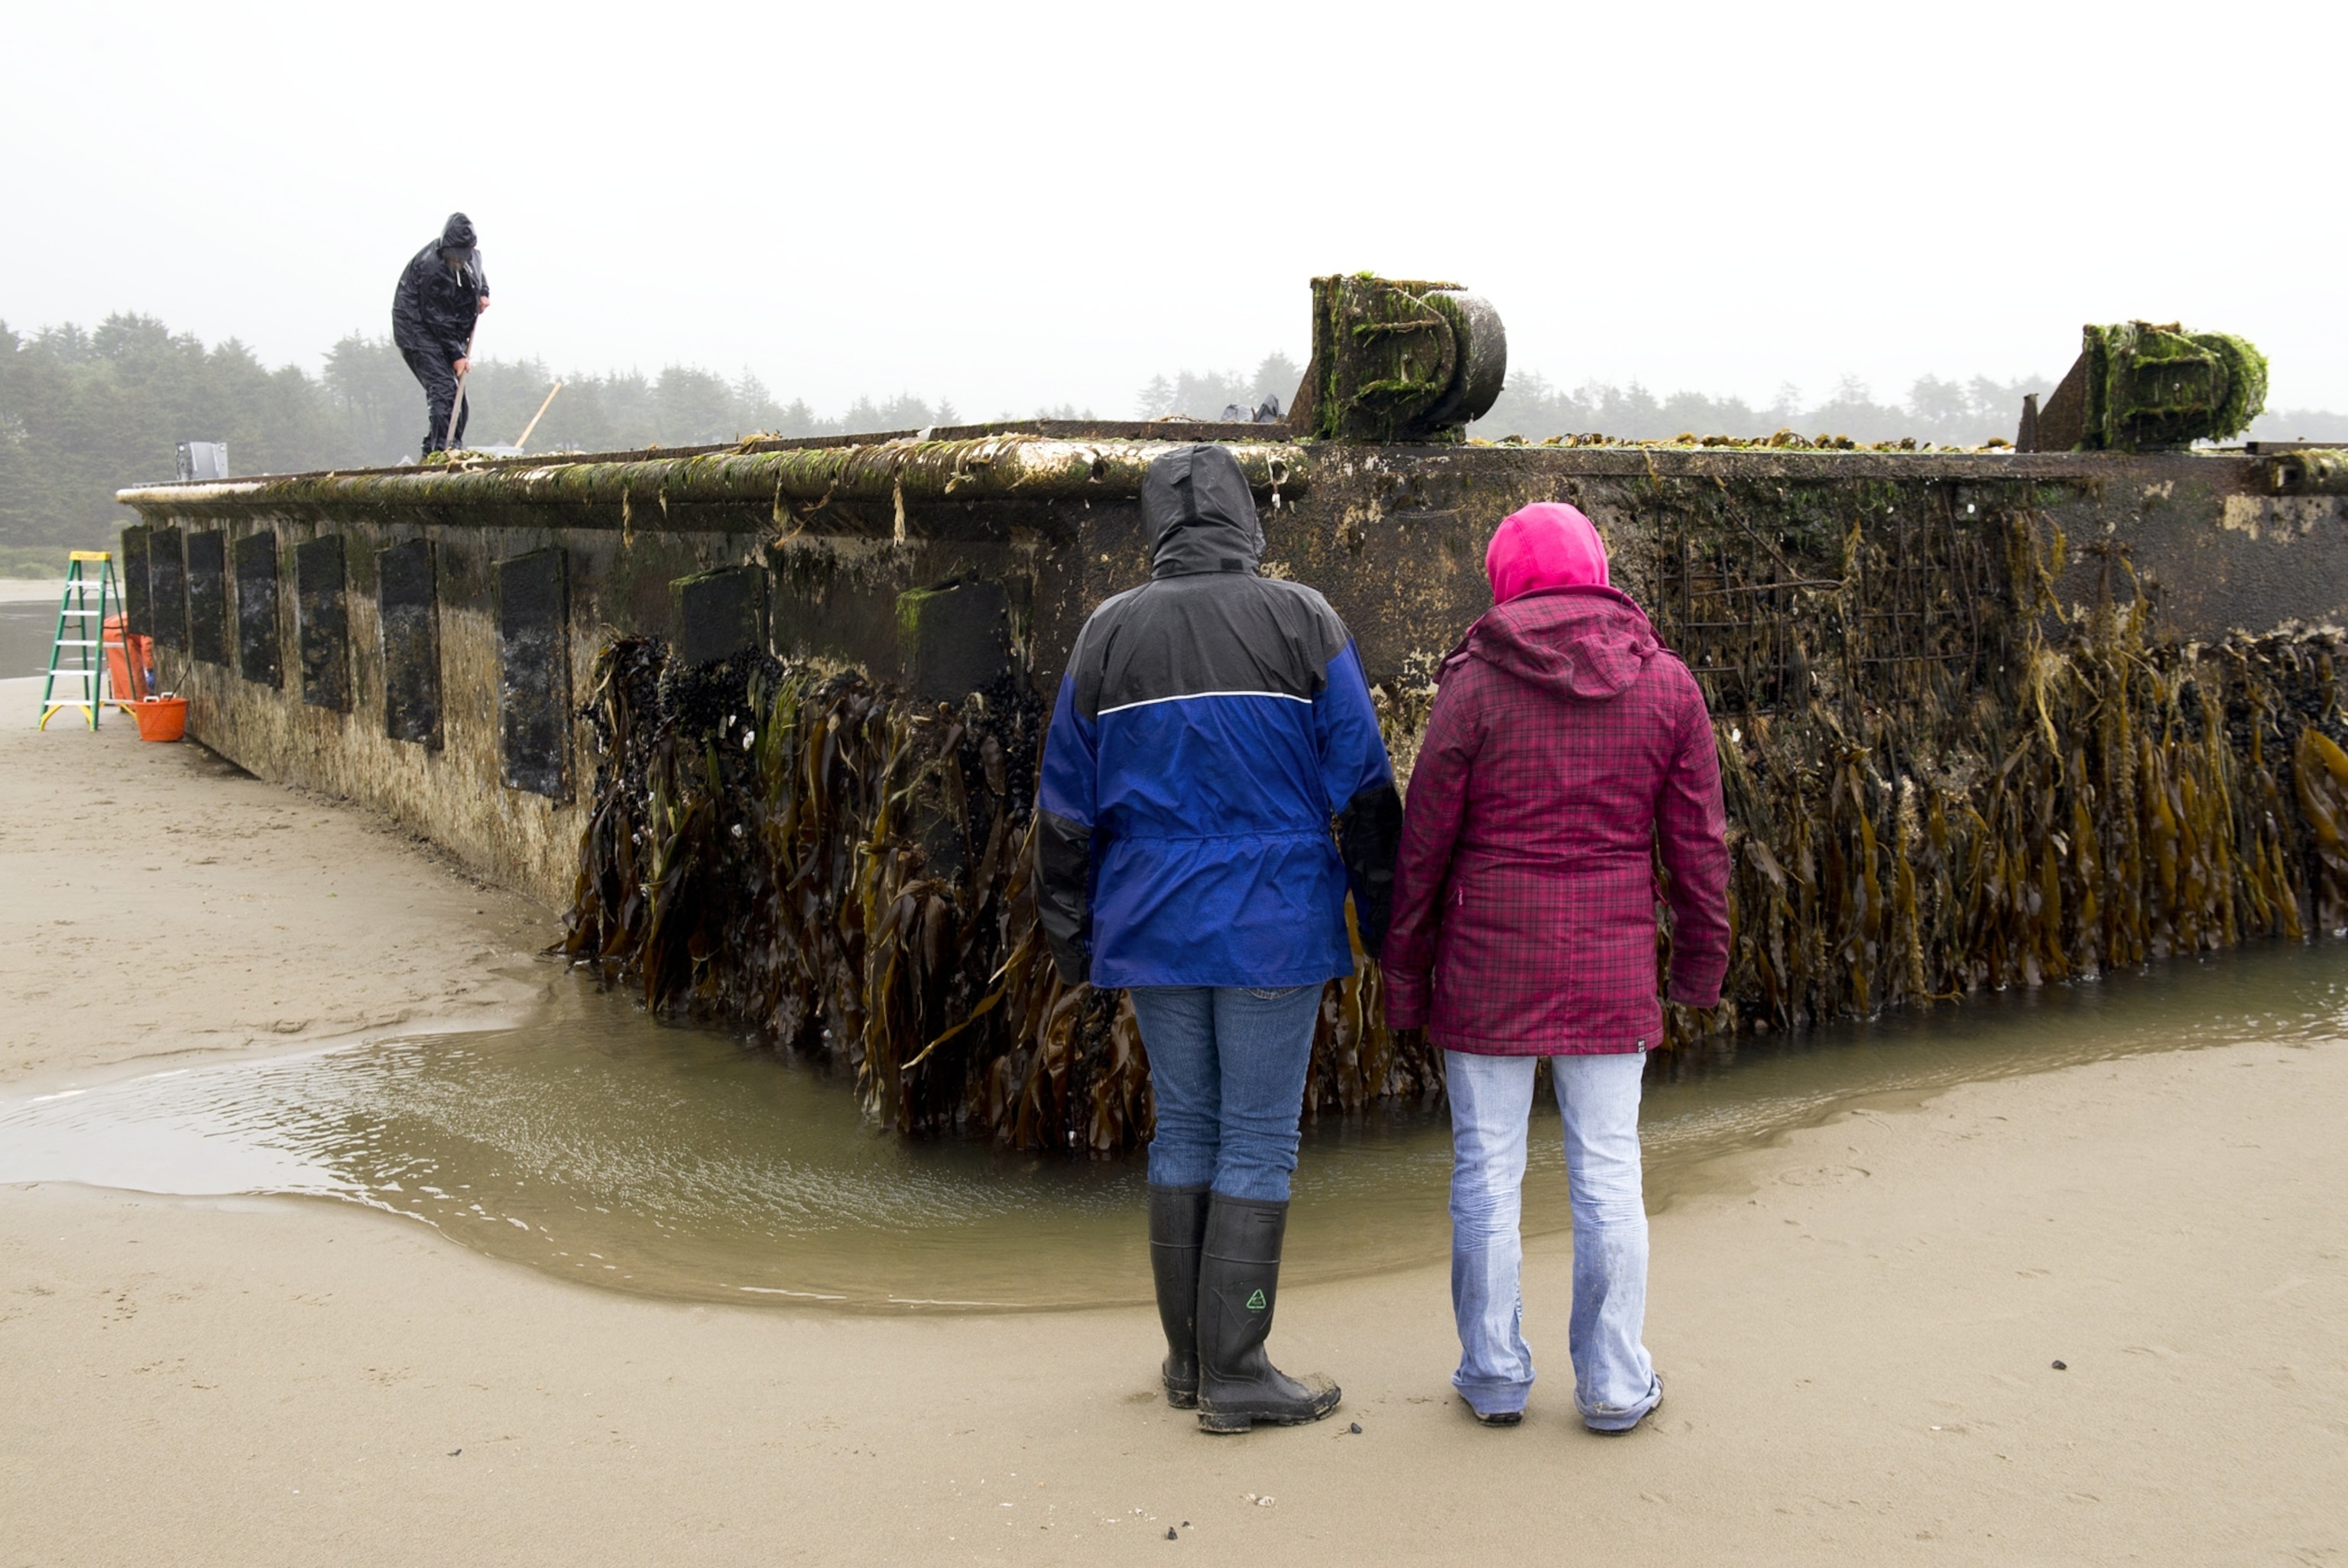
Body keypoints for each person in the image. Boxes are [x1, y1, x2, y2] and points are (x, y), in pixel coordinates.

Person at [1036, 443, 1399, 1434]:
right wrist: (1386, 909)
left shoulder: (1107, 634)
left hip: (1152, 918)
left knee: (1185, 1131)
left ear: (1157, 526)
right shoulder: (1301, 619)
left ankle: (1192, 1363)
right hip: (1272, 919)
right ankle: (1240, 1370)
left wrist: (1069, 928)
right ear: (1246, 517)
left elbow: (1065, 801)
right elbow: (1362, 784)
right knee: (1257, 1140)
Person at [1380, 502, 1730, 1434]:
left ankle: (1494, 1376)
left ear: (1505, 578)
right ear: (1596, 571)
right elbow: (1699, 848)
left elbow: (1423, 851)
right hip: (1611, 969)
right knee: (1610, 1173)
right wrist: (1700, 964)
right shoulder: (1667, 688)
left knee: (1487, 1174)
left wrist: (1404, 976)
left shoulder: (1474, 688)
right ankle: (1615, 1384)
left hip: (1488, 966)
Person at [391, 212, 491, 455]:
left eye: (462, 254)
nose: (457, 259)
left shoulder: (473, 257)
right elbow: (437, 317)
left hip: (445, 329)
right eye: (453, 253)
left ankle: (451, 446)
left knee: (458, 395)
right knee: (444, 389)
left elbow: (478, 277)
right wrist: (456, 355)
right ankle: (439, 451)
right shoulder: (430, 268)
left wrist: (483, 293)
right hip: (416, 330)